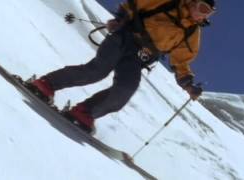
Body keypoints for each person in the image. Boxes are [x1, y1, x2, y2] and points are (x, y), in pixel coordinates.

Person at [29, 0, 216, 133]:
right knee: (96, 71)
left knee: (125, 89)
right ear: (192, 2)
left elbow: (181, 60)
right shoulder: (169, 3)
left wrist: (188, 85)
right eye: (202, 7)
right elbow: (137, 4)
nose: (203, 14)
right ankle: (47, 84)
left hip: (139, 58)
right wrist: (120, 19)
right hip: (125, 38)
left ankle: (84, 112)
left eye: (209, 12)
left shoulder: (192, 32)